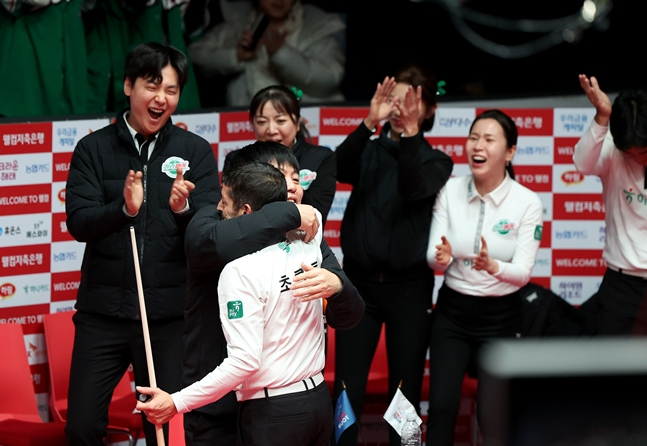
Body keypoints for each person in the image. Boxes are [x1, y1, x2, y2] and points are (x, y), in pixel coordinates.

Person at [64, 42, 220, 446]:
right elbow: (79, 222)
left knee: (164, 431)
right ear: (128, 86)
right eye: (152, 86)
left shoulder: (194, 151)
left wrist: (184, 210)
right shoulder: (93, 149)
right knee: (82, 427)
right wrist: (123, 210)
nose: (161, 98)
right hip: (103, 314)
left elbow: (211, 233)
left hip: (168, 317)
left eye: (171, 90)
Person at [173, 141, 364, 445]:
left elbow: (350, 314)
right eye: (279, 177)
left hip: (285, 405)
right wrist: (291, 212)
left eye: (296, 179)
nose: (292, 188)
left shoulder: (305, 237)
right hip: (216, 403)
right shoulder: (215, 217)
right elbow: (210, 245)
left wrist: (338, 288)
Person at [333, 64, 454, 446]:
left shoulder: (437, 161)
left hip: (409, 291)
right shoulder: (367, 150)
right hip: (359, 288)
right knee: (346, 389)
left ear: (428, 110)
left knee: (405, 395)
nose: (400, 109)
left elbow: (412, 186)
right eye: (395, 101)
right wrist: (370, 121)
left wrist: (411, 135)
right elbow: (337, 168)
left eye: (411, 102)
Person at [425, 109, 543, 446]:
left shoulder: (527, 202)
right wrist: (441, 258)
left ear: (510, 152)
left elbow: (522, 274)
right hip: (452, 314)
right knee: (441, 409)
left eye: (489, 139)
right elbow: (433, 256)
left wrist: (494, 267)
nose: (478, 146)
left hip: (501, 318)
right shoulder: (450, 190)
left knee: (495, 418)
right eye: (474, 137)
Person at [575, 75, 647, 335]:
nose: (637, 159)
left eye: (644, 152)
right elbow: (582, 164)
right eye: (630, 153)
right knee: (611, 359)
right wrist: (602, 117)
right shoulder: (612, 149)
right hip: (621, 285)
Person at [188, 0, 345, 106]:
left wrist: (282, 53)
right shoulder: (234, 29)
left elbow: (331, 77)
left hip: (305, 124)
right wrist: (236, 56)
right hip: (246, 126)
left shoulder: (316, 28)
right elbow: (193, 56)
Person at [250, 85, 336, 222]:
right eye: (262, 122)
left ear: (297, 123)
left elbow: (316, 216)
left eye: (280, 121)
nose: (271, 130)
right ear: (252, 124)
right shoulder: (240, 159)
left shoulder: (321, 157)